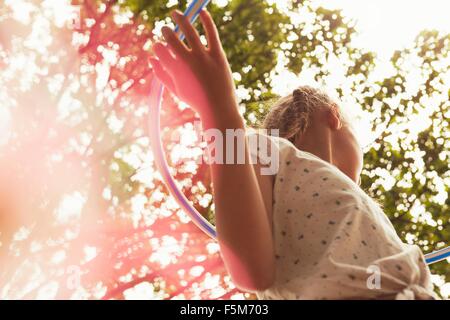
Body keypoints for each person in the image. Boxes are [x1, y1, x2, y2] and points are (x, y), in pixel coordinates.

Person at [149, 9, 437, 300]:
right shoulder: (263, 150)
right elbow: (251, 272)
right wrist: (219, 107)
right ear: (334, 117)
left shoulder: (347, 205)